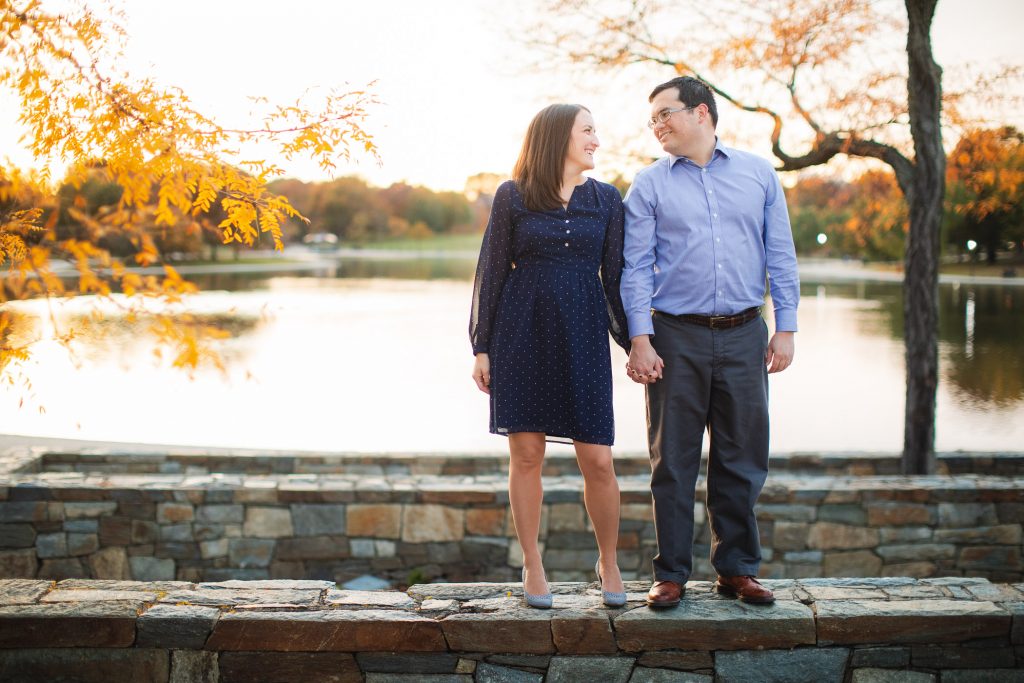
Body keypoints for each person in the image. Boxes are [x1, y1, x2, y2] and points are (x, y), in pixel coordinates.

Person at [621, 77, 800, 608]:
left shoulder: (759, 174)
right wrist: (640, 339)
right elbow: (635, 270)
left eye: (664, 114)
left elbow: (781, 256)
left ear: (701, 112)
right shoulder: (648, 184)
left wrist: (785, 327)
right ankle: (671, 573)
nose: (657, 126)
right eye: (651, 119)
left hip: (747, 334)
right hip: (674, 337)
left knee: (743, 457)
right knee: (671, 461)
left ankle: (737, 570)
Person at [469, 103, 631, 609]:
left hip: (583, 336)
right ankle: (532, 563)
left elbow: (618, 279)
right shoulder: (512, 196)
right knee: (526, 455)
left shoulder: (607, 199)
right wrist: (482, 346)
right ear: (558, 136)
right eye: (588, 131)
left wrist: (636, 342)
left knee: (598, 460)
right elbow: (492, 270)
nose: (596, 141)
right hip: (522, 334)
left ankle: (608, 560)